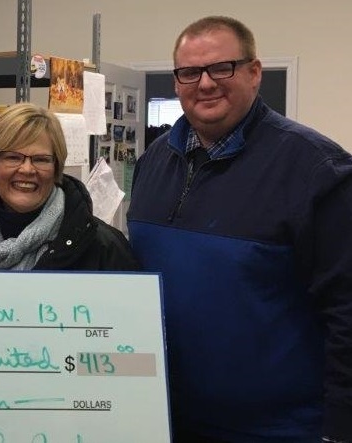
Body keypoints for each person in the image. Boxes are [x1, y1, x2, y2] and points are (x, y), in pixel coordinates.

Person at [126, 15, 352, 443]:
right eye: (190, 72)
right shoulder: (153, 162)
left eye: (221, 68)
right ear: (176, 82)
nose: (205, 83)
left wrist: (340, 428)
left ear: (254, 72)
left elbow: (346, 309)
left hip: (279, 428)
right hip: (165, 416)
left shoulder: (316, 169)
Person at [0, 102, 138, 271]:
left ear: (56, 168)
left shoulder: (104, 247)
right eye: (13, 157)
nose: (27, 169)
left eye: (41, 159)